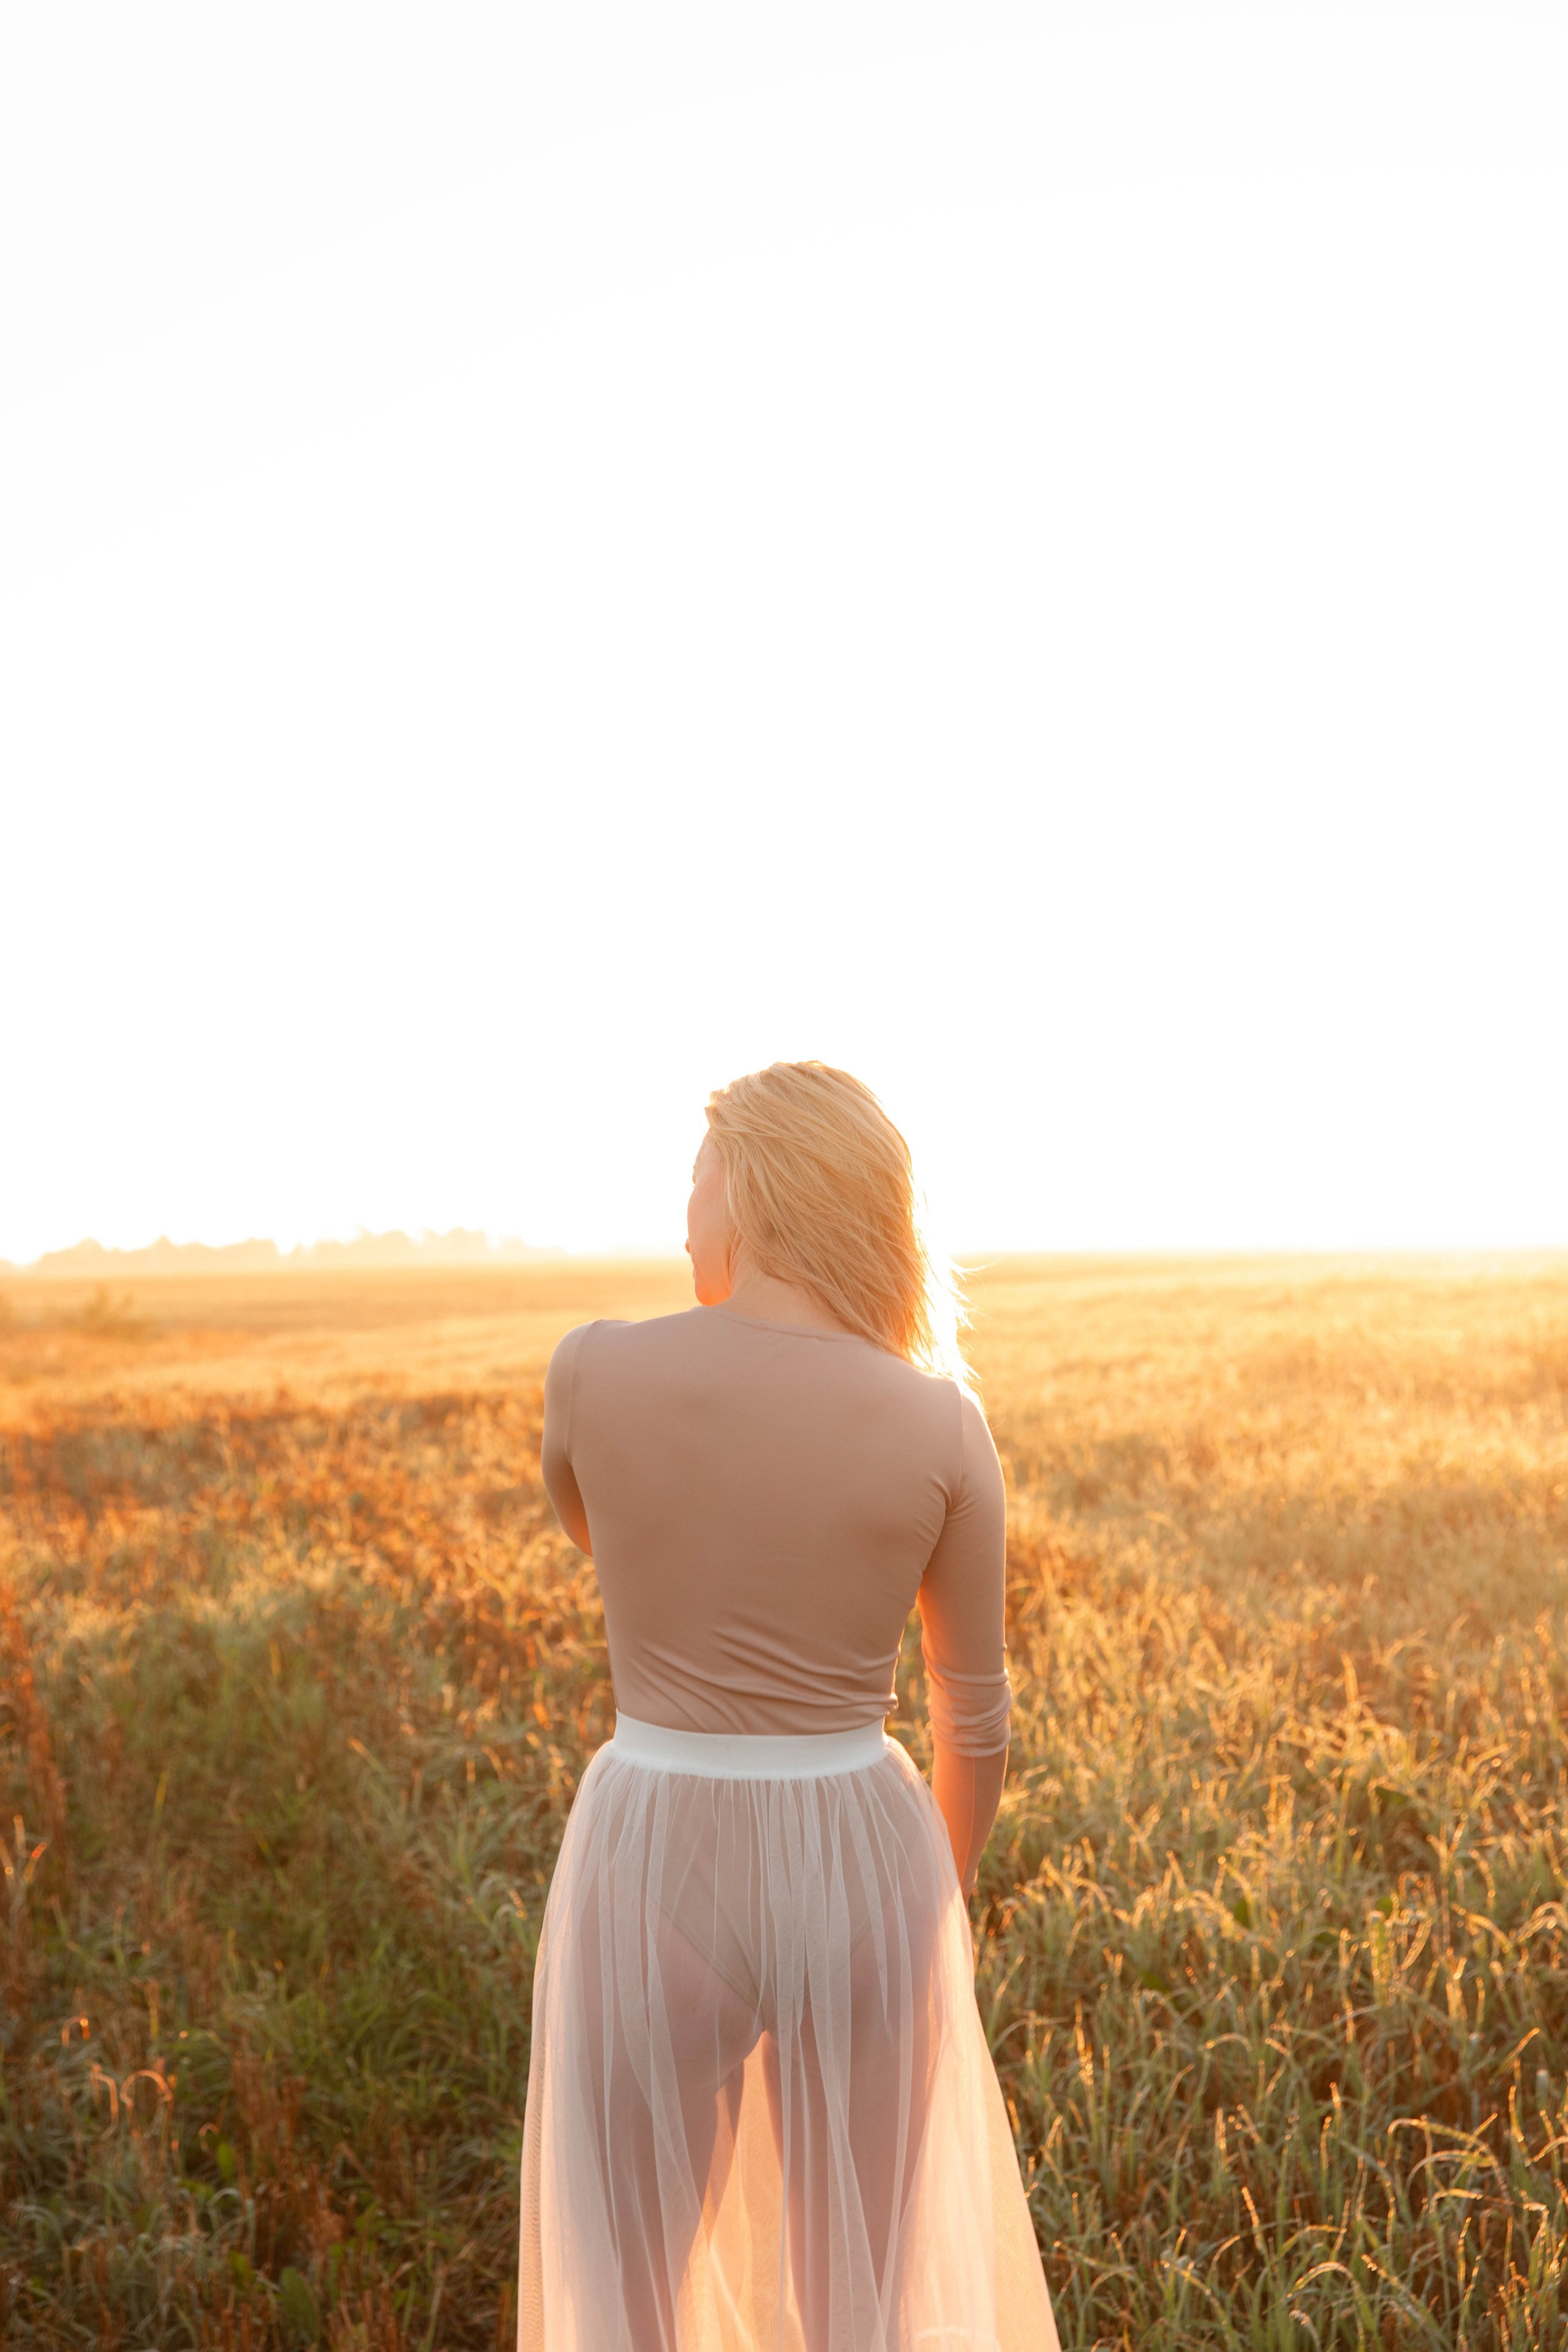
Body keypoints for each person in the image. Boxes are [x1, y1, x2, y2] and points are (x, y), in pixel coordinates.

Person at [517, 1061, 1059, 2351]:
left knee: (627, 2297)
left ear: (750, 1188)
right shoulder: (939, 1423)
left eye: (693, 1182)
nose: (682, 1219)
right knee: (856, 2300)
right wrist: (930, 1899)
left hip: (659, 1840)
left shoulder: (592, 1372)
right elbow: (973, 1724)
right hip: (862, 1850)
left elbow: (600, 1543)